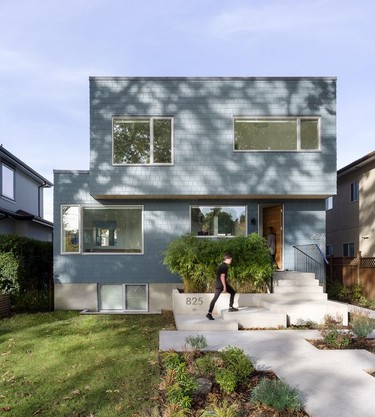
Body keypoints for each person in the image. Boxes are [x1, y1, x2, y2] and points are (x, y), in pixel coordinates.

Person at [206, 254, 238, 320]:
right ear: (227, 259)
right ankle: (209, 314)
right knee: (215, 299)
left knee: (232, 292)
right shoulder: (224, 266)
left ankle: (231, 307)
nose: (231, 261)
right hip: (220, 284)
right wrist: (224, 286)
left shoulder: (222, 265)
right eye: (230, 260)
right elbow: (222, 276)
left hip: (219, 284)